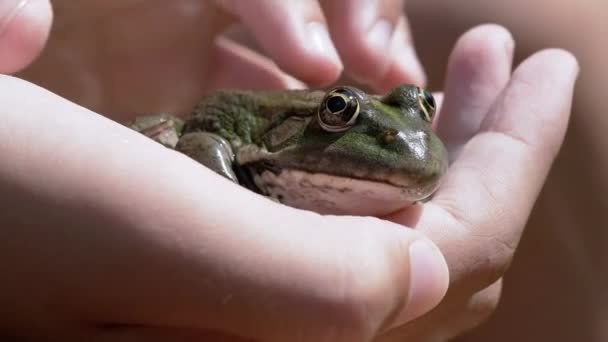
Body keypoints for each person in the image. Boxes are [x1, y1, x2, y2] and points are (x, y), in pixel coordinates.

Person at [0, 1, 578, 341]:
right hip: (199, 127)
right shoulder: (246, 144)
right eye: (339, 113)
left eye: (423, 110)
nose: (409, 137)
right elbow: (200, 138)